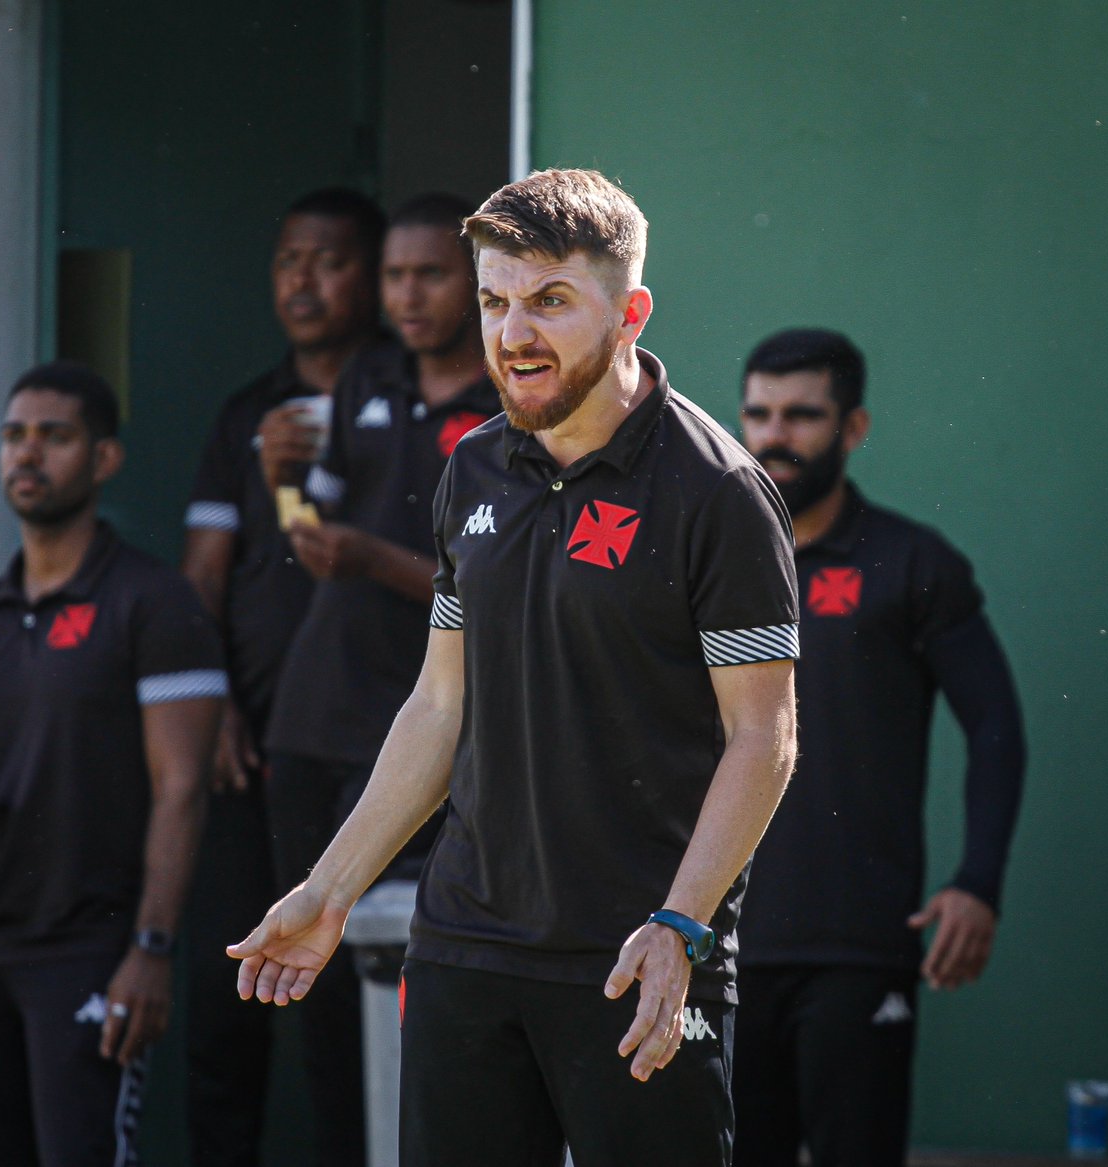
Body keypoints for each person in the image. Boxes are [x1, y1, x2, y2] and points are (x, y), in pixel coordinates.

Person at [229, 168, 800, 1167]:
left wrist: (682, 924)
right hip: (465, 949)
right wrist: (330, 891)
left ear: (631, 312)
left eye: (548, 301)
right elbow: (440, 709)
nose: (512, 332)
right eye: (495, 301)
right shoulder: (475, 469)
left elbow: (765, 737)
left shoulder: (718, 492)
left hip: (639, 960)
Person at [732, 328, 1026, 1167]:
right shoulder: (708, 558)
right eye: (758, 413)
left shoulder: (911, 562)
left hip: (856, 941)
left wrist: (978, 883)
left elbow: (997, 728)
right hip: (715, 935)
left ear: (853, 427)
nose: (775, 435)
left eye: (802, 415)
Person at [0, 361, 225, 1167]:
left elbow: (184, 788)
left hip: (90, 951)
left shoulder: (154, 603)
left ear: (103, 459)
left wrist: (151, 948)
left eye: (54, 437)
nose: (28, 455)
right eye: (14, 436)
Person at [257, 191, 500, 1166]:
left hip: (421, 732)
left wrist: (378, 560)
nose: (408, 295)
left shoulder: (502, 401)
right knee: (304, 967)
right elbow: (314, 536)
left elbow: (493, 589)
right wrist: (282, 486)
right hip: (311, 720)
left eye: (430, 274)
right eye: (396, 275)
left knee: (415, 979)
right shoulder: (369, 374)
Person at [180, 187, 385, 1166]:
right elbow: (203, 575)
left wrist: (297, 480)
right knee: (227, 1000)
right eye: (288, 261)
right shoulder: (247, 412)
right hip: (248, 746)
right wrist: (210, 701)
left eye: (330, 260)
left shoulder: (406, 398)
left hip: (364, 744)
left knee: (345, 1004)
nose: (304, 281)